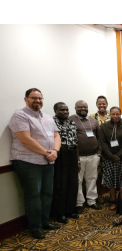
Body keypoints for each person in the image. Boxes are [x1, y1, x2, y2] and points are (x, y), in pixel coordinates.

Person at [9, 88, 61, 239]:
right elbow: (25, 140)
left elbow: (57, 135)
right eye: (34, 98)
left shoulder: (48, 117)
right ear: (26, 99)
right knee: (33, 195)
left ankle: (45, 222)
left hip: (48, 161)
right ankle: (35, 227)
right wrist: (47, 152)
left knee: (47, 193)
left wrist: (55, 151)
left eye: (39, 98)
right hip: (28, 161)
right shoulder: (20, 115)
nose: (37, 101)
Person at [98, 107, 122, 211]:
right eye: (113, 114)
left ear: (120, 114)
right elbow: (102, 142)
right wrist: (111, 156)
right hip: (109, 158)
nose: (115, 116)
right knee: (112, 181)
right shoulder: (104, 126)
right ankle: (113, 201)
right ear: (110, 114)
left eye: (117, 114)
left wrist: (118, 155)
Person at [70, 100, 102, 212]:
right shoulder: (71, 120)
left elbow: (99, 137)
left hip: (93, 155)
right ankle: (79, 203)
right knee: (78, 180)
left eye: (85, 107)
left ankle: (91, 201)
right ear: (75, 108)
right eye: (80, 107)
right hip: (78, 157)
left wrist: (99, 153)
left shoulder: (93, 120)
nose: (83, 109)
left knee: (92, 179)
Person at [51, 102, 80, 224]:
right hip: (60, 154)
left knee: (73, 183)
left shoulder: (72, 122)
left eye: (67, 110)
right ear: (55, 111)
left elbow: (76, 142)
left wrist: (78, 160)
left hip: (72, 153)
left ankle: (70, 210)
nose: (65, 112)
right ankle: (60, 213)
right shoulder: (52, 122)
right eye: (62, 110)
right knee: (60, 185)